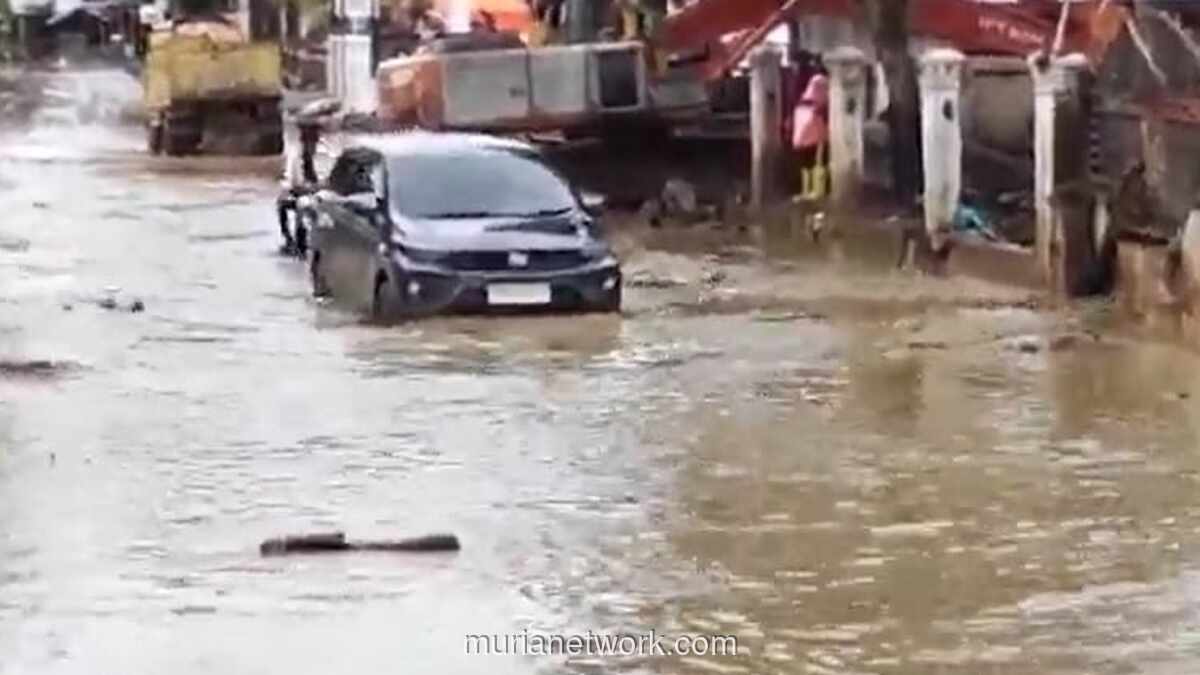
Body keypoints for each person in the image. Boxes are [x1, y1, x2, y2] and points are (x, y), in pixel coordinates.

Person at [276, 120, 322, 256]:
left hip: (322, 195)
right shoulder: (296, 158)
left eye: (312, 140)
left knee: (304, 204)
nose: (310, 145)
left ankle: (303, 242)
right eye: (307, 140)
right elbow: (293, 181)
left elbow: (329, 180)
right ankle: (291, 241)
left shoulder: (324, 154)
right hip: (303, 193)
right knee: (285, 203)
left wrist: (316, 188)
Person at [791, 58, 829, 201]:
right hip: (808, 121)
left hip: (810, 121)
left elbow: (821, 101)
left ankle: (815, 190)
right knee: (811, 157)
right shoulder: (813, 81)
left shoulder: (817, 80)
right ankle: (811, 191)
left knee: (813, 157)